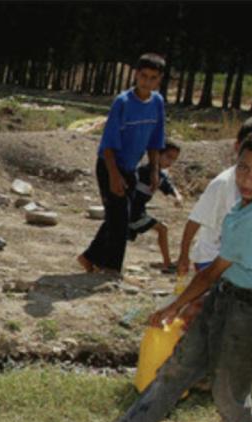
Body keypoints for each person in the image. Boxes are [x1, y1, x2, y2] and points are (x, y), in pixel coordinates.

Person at [84, 128, 252, 422]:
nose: (248, 178)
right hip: (226, 298)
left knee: (228, 390)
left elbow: (211, 272)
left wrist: (174, 306)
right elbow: (219, 277)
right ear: (235, 162)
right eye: (244, 168)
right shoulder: (248, 203)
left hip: (248, 311)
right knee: (177, 368)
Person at [173, 115, 252, 328]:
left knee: (223, 316)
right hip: (212, 258)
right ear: (238, 147)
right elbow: (195, 219)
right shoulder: (223, 183)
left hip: (239, 263)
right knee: (202, 312)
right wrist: (183, 255)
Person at [78, 53, 167, 275]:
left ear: (159, 80)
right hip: (110, 165)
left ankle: (89, 257)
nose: (147, 81)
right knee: (119, 220)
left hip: (130, 167)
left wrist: (155, 170)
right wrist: (114, 175)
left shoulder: (157, 103)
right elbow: (107, 144)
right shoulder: (123, 102)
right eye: (143, 76)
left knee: (119, 217)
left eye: (153, 78)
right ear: (136, 75)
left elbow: (156, 141)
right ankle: (111, 269)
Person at [127, 139, 184, 273]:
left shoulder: (159, 175)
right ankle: (167, 262)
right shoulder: (144, 171)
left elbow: (168, 186)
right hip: (132, 212)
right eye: (168, 157)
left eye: (173, 160)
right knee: (162, 229)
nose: (170, 162)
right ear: (157, 154)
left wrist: (177, 196)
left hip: (138, 212)